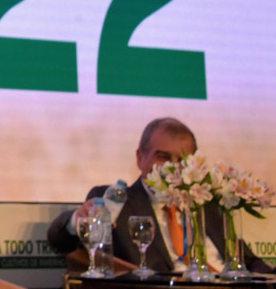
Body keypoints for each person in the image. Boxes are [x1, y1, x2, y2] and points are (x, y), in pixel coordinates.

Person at [47, 117, 273, 275]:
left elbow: (249, 262)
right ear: (140, 158)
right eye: (163, 157)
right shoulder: (117, 201)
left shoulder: (209, 206)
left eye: (182, 160)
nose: (173, 167)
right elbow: (61, 241)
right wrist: (76, 221)